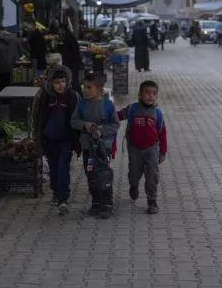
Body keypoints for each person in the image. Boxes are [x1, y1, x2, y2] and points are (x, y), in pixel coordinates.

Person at [32, 66, 80, 215]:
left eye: (63, 81)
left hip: (66, 140)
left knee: (63, 168)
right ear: (50, 83)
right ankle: (55, 191)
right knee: (53, 169)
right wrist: (38, 139)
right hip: (49, 140)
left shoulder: (72, 96)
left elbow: (78, 117)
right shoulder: (43, 96)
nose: (61, 85)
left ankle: (63, 199)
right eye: (57, 82)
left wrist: (78, 142)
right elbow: (36, 117)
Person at [70, 73, 120, 219]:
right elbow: (73, 122)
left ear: (99, 90)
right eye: (84, 86)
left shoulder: (108, 105)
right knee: (90, 174)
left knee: (104, 174)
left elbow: (115, 124)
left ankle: (107, 203)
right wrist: (84, 125)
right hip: (88, 148)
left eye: (89, 87)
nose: (85, 90)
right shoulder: (81, 105)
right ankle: (96, 201)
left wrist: (101, 131)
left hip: (104, 148)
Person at [117, 80, 167, 215]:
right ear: (140, 94)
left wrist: (162, 151)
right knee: (134, 173)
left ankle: (152, 201)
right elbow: (118, 115)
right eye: (147, 93)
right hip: (134, 149)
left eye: (154, 93)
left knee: (152, 176)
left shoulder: (158, 114)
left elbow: (162, 132)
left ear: (157, 96)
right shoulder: (132, 109)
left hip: (151, 149)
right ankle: (134, 184)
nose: (151, 96)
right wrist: (106, 115)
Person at [0, 24, 23, 91]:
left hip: (0, 69)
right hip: (15, 67)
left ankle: (5, 101)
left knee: (2, 89)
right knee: (13, 88)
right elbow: (21, 52)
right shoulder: (14, 39)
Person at [60, 23, 83, 97]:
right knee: (72, 80)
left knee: (74, 80)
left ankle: (80, 96)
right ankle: (76, 96)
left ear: (63, 30)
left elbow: (75, 51)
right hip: (71, 63)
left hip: (73, 63)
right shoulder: (67, 36)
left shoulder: (69, 37)